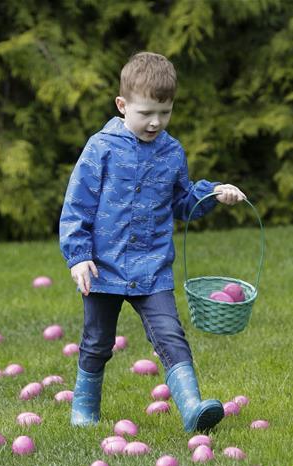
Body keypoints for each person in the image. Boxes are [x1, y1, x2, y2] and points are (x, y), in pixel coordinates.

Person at [59, 52, 247, 432]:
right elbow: (77, 205)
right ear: (122, 105)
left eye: (165, 112)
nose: (155, 122)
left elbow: (182, 202)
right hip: (103, 268)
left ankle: (192, 408)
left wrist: (213, 193)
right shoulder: (100, 148)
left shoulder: (171, 152)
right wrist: (78, 256)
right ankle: (85, 408)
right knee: (97, 341)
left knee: (170, 334)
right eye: (146, 113)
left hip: (152, 268)